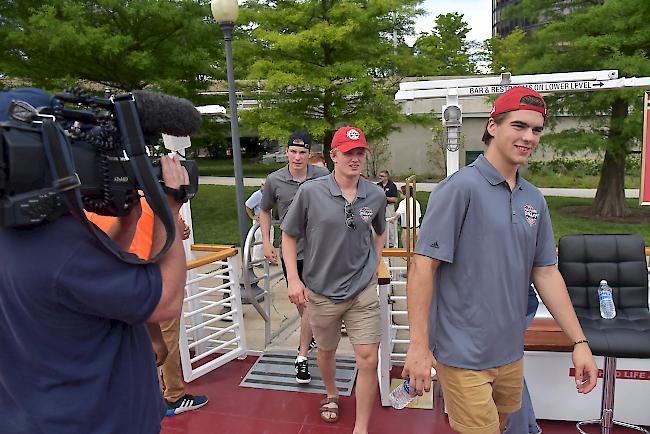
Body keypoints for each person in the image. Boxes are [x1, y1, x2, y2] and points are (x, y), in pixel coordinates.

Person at [403, 87, 598, 434]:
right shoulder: (459, 189)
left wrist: (579, 342)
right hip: (462, 352)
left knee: (505, 423)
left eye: (536, 130)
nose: (528, 137)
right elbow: (422, 267)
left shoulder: (533, 198)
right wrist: (418, 348)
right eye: (519, 126)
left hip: (510, 349)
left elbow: (547, 272)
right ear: (493, 126)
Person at [0, 155, 189, 433]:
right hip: (99, 419)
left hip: (34, 413)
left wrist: (126, 224)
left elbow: (83, 280)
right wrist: (169, 208)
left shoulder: (17, 236)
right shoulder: (58, 244)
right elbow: (165, 300)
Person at [281, 126, 386, 434]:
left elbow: (380, 231)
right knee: (325, 350)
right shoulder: (311, 192)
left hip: (362, 290)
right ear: (334, 155)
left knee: (368, 359)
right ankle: (331, 393)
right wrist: (293, 280)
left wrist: (374, 262)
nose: (355, 159)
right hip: (322, 291)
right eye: (348, 153)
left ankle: (361, 427)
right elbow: (288, 236)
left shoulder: (375, 194)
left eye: (359, 153)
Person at [89, 199, 209, 417]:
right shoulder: (155, 196)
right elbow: (179, 230)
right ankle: (173, 395)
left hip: (103, 283)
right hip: (149, 278)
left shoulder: (89, 201)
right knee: (166, 337)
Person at [259, 129, 329, 383]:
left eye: (302, 152)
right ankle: (309, 341)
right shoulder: (274, 180)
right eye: (293, 151)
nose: (297, 157)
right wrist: (267, 242)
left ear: (309, 155)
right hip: (293, 253)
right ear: (286, 152)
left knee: (311, 305)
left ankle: (302, 356)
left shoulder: (322, 176)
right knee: (304, 307)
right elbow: (264, 210)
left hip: (320, 251)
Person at [504, 285, 542, 434]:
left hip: (513, 305)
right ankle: (527, 427)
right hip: (511, 303)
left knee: (505, 364)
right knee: (507, 362)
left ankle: (520, 429)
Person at [245, 180, 274, 263]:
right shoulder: (257, 195)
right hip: (259, 222)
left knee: (270, 240)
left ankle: (268, 259)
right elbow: (248, 205)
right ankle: (257, 261)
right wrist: (252, 216)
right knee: (259, 241)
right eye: (263, 185)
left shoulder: (269, 195)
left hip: (269, 220)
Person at [394, 185, 422, 251]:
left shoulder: (403, 203)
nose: (399, 193)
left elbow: (397, 215)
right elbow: (419, 215)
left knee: (407, 253)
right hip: (417, 229)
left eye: (400, 192)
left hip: (408, 231)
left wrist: (389, 218)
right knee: (415, 252)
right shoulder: (416, 202)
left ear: (404, 193)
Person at [376, 170, 399, 247]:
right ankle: (383, 244)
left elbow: (395, 199)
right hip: (380, 207)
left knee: (391, 226)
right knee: (380, 225)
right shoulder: (378, 185)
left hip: (389, 207)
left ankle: (392, 244)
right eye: (379, 176)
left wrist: (385, 197)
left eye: (382, 176)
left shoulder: (392, 185)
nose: (380, 177)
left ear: (386, 177)